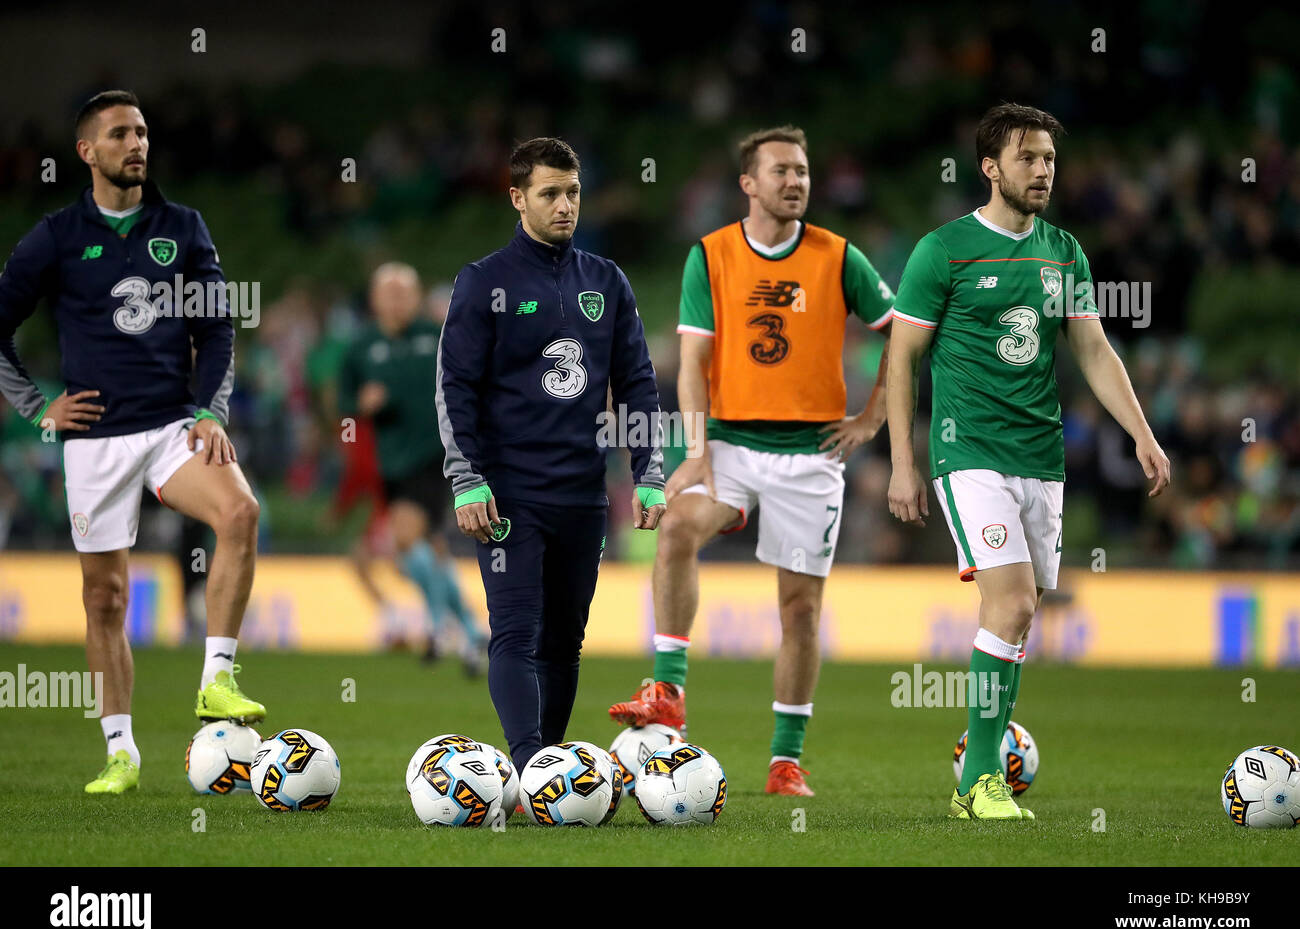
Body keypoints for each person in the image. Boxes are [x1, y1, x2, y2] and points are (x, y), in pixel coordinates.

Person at [886, 102, 1171, 820]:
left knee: (1021, 618)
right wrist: (903, 461)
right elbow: (902, 358)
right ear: (990, 168)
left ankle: (981, 765)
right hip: (969, 450)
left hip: (1041, 459)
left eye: (1048, 158)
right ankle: (978, 782)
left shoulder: (1063, 251)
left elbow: (1093, 349)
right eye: (1027, 158)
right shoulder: (942, 251)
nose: (1042, 170)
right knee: (1007, 602)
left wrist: (1141, 431)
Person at [606, 126, 895, 796]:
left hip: (812, 453)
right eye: (782, 171)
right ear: (748, 183)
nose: (796, 182)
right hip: (732, 445)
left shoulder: (838, 257)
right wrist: (699, 450)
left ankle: (785, 761)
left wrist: (874, 415)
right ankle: (668, 691)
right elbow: (693, 365)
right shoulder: (709, 256)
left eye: (803, 171)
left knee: (798, 609)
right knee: (676, 528)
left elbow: (902, 333)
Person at [0, 90, 265, 794]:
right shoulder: (56, 236)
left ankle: (216, 680)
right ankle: (121, 752)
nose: (137, 143)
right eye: (120, 134)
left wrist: (211, 410)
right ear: (87, 151)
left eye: (143, 131)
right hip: (94, 439)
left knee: (239, 512)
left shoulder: (183, 226)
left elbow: (216, 326)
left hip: (172, 425)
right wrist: (35, 405)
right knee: (105, 599)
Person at [436, 136, 665, 771]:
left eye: (573, 193)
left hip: (583, 493)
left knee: (565, 641)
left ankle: (549, 767)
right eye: (550, 194)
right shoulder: (484, 282)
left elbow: (639, 383)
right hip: (509, 491)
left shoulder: (607, 281)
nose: (565, 206)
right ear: (517, 198)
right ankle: (533, 760)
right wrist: (467, 479)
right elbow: (456, 384)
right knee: (516, 632)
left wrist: (648, 472)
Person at [338, 262, 486, 672]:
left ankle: (438, 629)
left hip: (439, 456)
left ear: (417, 297)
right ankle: (472, 631)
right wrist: (358, 409)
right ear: (374, 299)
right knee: (433, 550)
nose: (397, 300)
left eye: (405, 292)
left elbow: (473, 379)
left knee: (405, 538)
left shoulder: (436, 337)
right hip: (393, 463)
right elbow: (343, 409)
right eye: (389, 293)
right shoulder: (361, 347)